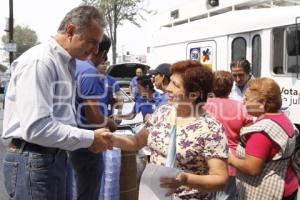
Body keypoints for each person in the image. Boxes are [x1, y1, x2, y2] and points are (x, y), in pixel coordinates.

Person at [2, 6, 113, 200]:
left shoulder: (65, 63)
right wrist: (89, 138)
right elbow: (36, 127)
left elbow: (59, 120)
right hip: (34, 159)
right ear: (70, 31)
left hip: (52, 157)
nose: (96, 50)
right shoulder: (40, 62)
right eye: (92, 42)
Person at [111, 60, 229, 199]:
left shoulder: (211, 128)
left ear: (194, 94)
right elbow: (137, 142)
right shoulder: (163, 112)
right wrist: (111, 139)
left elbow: (220, 179)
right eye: (171, 82)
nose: (168, 88)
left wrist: (186, 180)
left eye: (175, 85)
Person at [228, 78, 299, 200]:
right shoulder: (282, 118)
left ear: (262, 102)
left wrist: (230, 159)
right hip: (288, 183)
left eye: (247, 98)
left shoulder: (261, 131)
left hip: (267, 192)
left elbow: (252, 168)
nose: (244, 103)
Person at [69, 34, 118, 200]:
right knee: (88, 193)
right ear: (102, 52)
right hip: (88, 144)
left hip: (72, 139)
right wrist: (111, 123)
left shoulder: (74, 66)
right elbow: (94, 117)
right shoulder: (90, 71)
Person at [203, 70, 253, 200]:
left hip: (205, 160)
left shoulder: (202, 105)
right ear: (231, 87)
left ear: (212, 86)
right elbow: (247, 135)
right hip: (231, 160)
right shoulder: (241, 107)